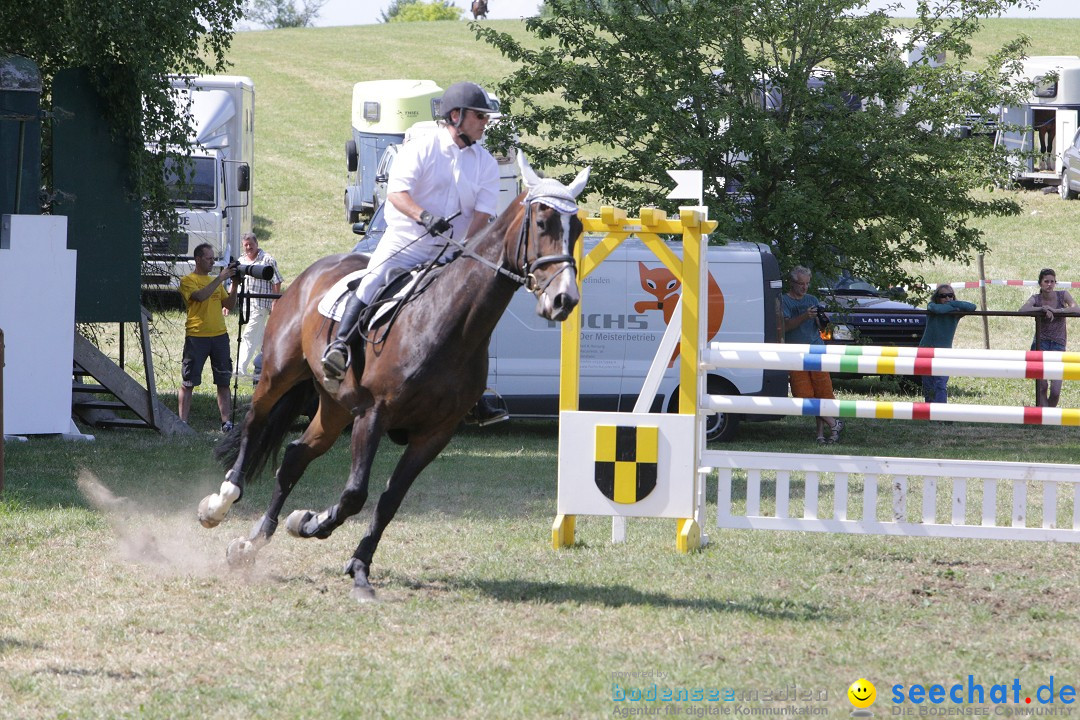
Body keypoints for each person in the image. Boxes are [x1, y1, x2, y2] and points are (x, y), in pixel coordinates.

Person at [320, 80, 508, 425]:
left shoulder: (486, 163)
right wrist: (424, 216)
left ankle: (475, 393)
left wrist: (463, 248)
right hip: (407, 242)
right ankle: (340, 348)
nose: (485, 122)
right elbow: (397, 194)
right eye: (480, 116)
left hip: (451, 252)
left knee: (474, 307)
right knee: (373, 279)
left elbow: (482, 216)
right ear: (456, 116)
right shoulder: (421, 149)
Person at [179, 243, 239, 431]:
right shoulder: (188, 280)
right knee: (189, 381)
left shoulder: (216, 281)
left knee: (223, 380)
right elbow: (200, 296)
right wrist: (220, 278)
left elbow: (228, 305)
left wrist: (235, 284)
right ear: (198, 259)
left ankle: (226, 422)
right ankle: (182, 424)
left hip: (220, 336)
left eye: (214, 258)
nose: (213, 261)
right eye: (209, 258)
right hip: (197, 337)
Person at [782, 266, 843, 444]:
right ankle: (834, 423)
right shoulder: (784, 301)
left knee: (823, 393)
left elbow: (821, 328)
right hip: (795, 354)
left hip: (816, 350)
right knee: (803, 394)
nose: (804, 287)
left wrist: (821, 320)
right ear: (792, 283)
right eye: (801, 284)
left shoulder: (812, 299)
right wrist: (804, 316)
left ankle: (822, 434)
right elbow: (785, 327)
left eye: (807, 283)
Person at [1019, 268, 1078, 407]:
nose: (1049, 284)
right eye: (1046, 281)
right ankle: (1044, 420)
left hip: (1058, 344)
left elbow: (1076, 308)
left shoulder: (1063, 295)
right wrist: (1042, 308)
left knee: (1056, 390)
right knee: (1042, 386)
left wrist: (1057, 311)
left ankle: (1048, 417)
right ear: (1040, 283)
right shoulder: (1036, 298)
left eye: (1052, 281)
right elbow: (1022, 309)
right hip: (1041, 343)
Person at [229, 231, 283, 380]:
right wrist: (227, 303)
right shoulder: (241, 260)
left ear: (256, 244)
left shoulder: (267, 259)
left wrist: (274, 301)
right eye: (245, 245)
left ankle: (239, 370)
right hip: (246, 306)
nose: (248, 248)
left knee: (248, 335)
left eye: (250, 245)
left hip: (260, 304)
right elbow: (234, 282)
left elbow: (277, 281)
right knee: (261, 339)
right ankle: (270, 365)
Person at [918, 284, 976, 403]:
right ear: (937, 298)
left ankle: (941, 415)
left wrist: (952, 304)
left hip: (944, 352)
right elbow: (938, 310)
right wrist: (953, 305)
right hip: (926, 350)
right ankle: (930, 414)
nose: (947, 298)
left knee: (940, 383)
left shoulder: (955, 312)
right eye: (943, 296)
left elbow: (972, 306)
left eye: (950, 295)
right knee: (928, 384)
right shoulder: (932, 306)